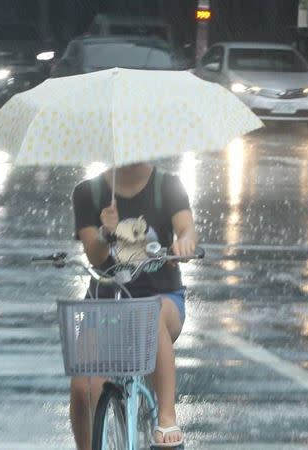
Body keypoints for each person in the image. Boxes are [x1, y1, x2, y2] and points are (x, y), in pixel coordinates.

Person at [70, 163, 197, 449]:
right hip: (105, 304)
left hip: (163, 299)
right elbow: (95, 256)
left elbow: (186, 228)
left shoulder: (168, 185)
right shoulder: (88, 193)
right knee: (82, 387)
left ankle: (166, 416)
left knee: (150, 314)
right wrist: (106, 233)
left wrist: (185, 243)